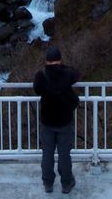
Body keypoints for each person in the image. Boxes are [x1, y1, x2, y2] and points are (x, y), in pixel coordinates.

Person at [33, 46, 80, 194]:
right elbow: (77, 74)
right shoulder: (66, 74)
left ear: (46, 61)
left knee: (47, 153)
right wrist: (62, 67)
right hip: (64, 121)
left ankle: (48, 183)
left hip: (47, 121)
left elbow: (36, 89)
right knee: (64, 154)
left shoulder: (41, 75)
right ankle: (66, 183)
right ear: (59, 60)